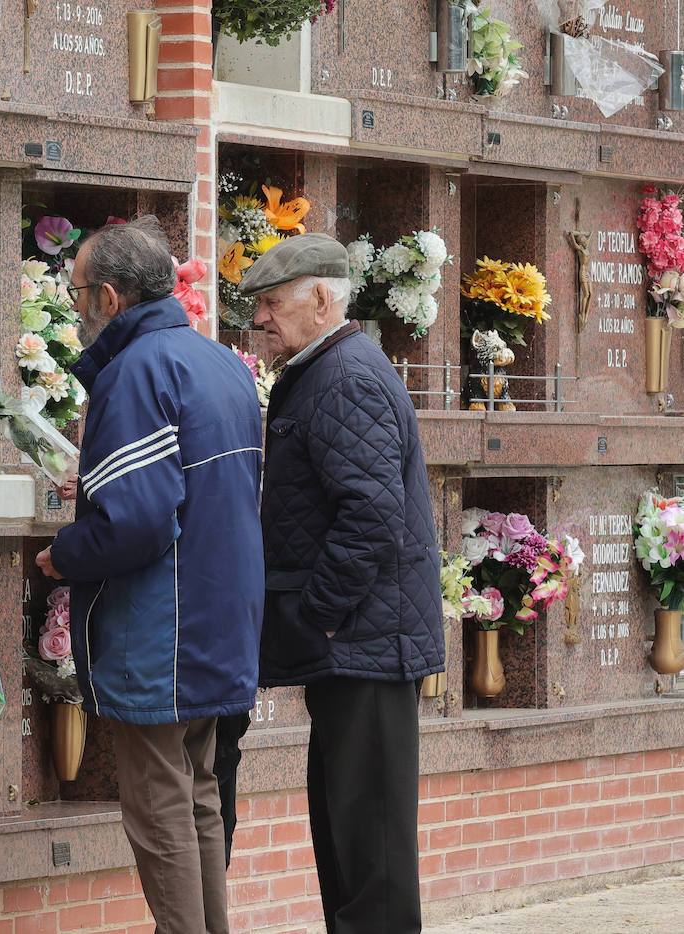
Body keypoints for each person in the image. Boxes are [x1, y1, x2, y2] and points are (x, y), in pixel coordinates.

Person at [35, 216, 264, 934]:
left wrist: (65, 554)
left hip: (160, 629)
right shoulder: (218, 361)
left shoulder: (134, 371)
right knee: (198, 796)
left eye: (75, 296)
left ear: (108, 296)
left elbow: (135, 523)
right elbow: (187, 489)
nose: (74, 311)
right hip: (218, 617)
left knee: (159, 807)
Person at [239, 233, 445, 934]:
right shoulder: (327, 368)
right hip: (354, 642)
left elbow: (371, 517)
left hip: (363, 641)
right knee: (348, 840)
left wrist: (317, 615)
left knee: (372, 859)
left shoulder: (345, 376)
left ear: (321, 298)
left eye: (271, 303)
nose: (260, 319)